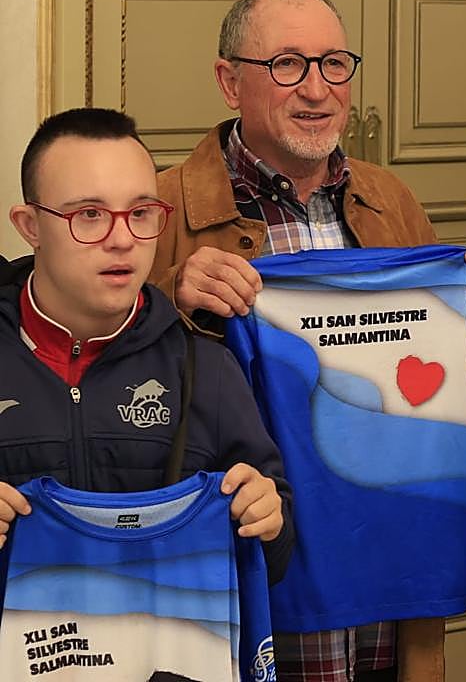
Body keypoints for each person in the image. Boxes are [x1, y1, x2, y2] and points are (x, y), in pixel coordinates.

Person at [149, 0, 466, 682]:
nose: (317, 89)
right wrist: (172, 301)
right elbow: (110, 396)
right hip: (251, 565)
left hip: (382, 571)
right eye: (287, 63)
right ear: (230, 81)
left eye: (334, 64)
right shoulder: (163, 209)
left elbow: (431, 396)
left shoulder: (393, 202)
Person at [0, 108, 290, 578]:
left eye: (140, 213)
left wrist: (267, 519)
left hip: (163, 648)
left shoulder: (205, 367)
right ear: (30, 225)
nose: (123, 240)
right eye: (89, 215)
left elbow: (273, 556)